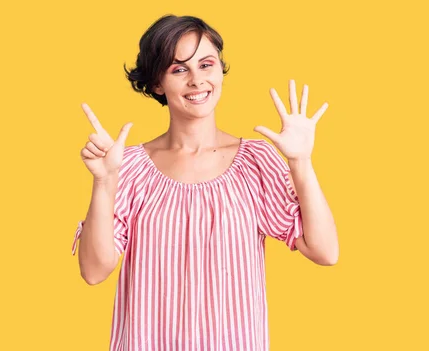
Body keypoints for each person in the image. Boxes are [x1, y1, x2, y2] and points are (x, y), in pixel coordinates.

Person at [71, 14, 339, 351]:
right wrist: (104, 182)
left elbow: (325, 251)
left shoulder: (254, 162)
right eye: (179, 69)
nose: (197, 80)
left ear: (219, 70)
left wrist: (301, 162)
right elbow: (94, 272)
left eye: (206, 64)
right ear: (157, 83)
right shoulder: (130, 167)